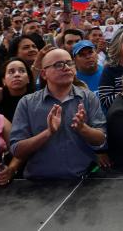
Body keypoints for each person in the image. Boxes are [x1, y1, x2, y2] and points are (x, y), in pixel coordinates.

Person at [9, 48, 106, 179]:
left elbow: (101, 139)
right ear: (44, 74)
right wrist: (48, 132)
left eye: (69, 63)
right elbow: (17, 150)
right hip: (39, 184)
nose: (66, 68)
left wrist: (84, 129)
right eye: (58, 65)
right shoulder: (27, 103)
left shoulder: (88, 98)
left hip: (84, 180)